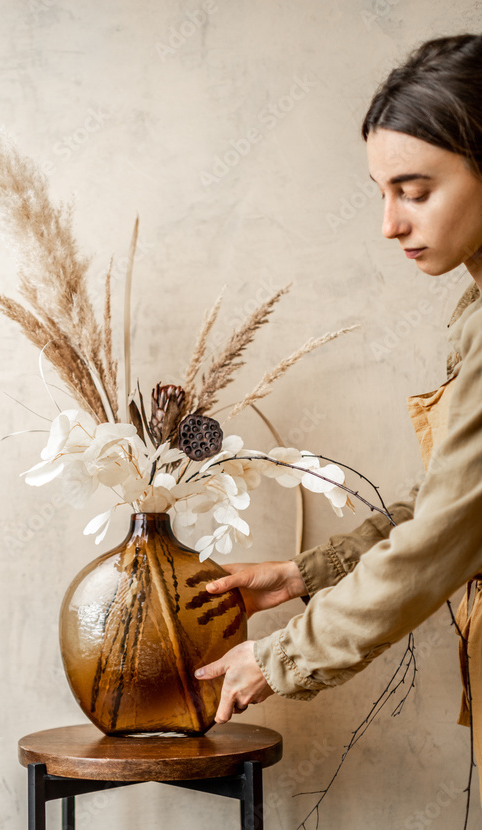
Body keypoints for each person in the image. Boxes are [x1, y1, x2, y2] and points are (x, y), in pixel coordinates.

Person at [195, 34, 482, 790]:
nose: (388, 224)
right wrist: (301, 574)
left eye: (415, 192)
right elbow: (454, 497)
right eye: (380, 193)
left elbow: (451, 532)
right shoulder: (472, 304)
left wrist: (282, 655)